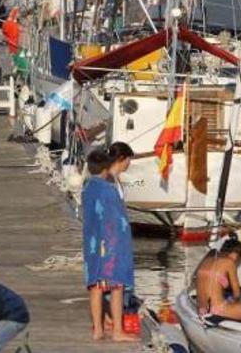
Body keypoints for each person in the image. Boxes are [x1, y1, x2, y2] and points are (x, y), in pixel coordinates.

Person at [82, 142, 137, 342]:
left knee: (96, 286)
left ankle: (98, 329)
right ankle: (117, 331)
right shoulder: (109, 188)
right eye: (129, 159)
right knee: (117, 286)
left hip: (93, 242)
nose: (130, 163)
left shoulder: (88, 186)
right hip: (111, 243)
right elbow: (116, 219)